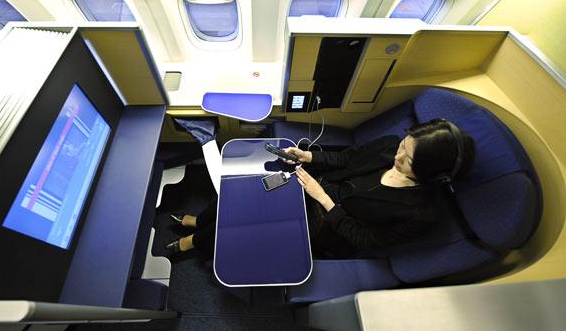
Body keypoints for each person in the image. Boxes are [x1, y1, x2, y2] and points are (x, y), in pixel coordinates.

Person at [166, 118, 475, 259]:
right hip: (312, 184)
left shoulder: (420, 214)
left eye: (408, 160)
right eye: (403, 145)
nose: (397, 157)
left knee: (249, 222)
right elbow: (347, 158)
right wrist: (309, 157)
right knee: (244, 192)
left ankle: (196, 241)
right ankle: (202, 222)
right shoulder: (388, 146)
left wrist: (324, 199)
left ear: (432, 174)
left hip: (327, 224)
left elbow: (365, 240)